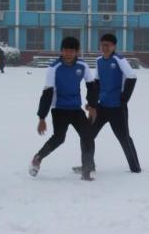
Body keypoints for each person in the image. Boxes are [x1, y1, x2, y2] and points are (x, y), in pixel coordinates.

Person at [29, 36, 98, 181]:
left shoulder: (82, 66)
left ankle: (86, 170)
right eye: (65, 51)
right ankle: (38, 157)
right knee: (59, 138)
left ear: (76, 52)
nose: (67, 54)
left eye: (71, 51)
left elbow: (91, 86)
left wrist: (91, 106)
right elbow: (47, 93)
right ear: (61, 51)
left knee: (87, 135)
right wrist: (42, 117)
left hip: (75, 109)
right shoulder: (54, 68)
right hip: (59, 109)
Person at [76, 33, 141, 174]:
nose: (105, 47)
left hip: (117, 108)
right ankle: (88, 165)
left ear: (113, 46)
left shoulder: (119, 59)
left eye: (108, 45)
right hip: (102, 107)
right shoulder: (99, 61)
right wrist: (92, 103)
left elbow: (132, 77)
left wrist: (123, 99)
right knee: (87, 134)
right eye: (103, 44)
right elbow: (96, 83)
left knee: (124, 138)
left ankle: (135, 168)